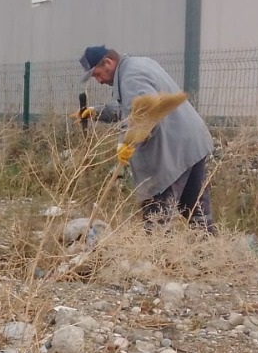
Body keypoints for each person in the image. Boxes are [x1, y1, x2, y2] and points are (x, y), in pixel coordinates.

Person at [78, 45, 216, 232]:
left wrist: (125, 142)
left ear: (108, 63)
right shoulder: (139, 65)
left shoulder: (131, 78)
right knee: (198, 214)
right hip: (191, 144)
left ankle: (158, 250)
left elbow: (143, 115)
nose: (99, 81)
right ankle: (209, 247)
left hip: (170, 154)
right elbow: (133, 107)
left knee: (156, 219)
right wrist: (97, 112)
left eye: (97, 74)